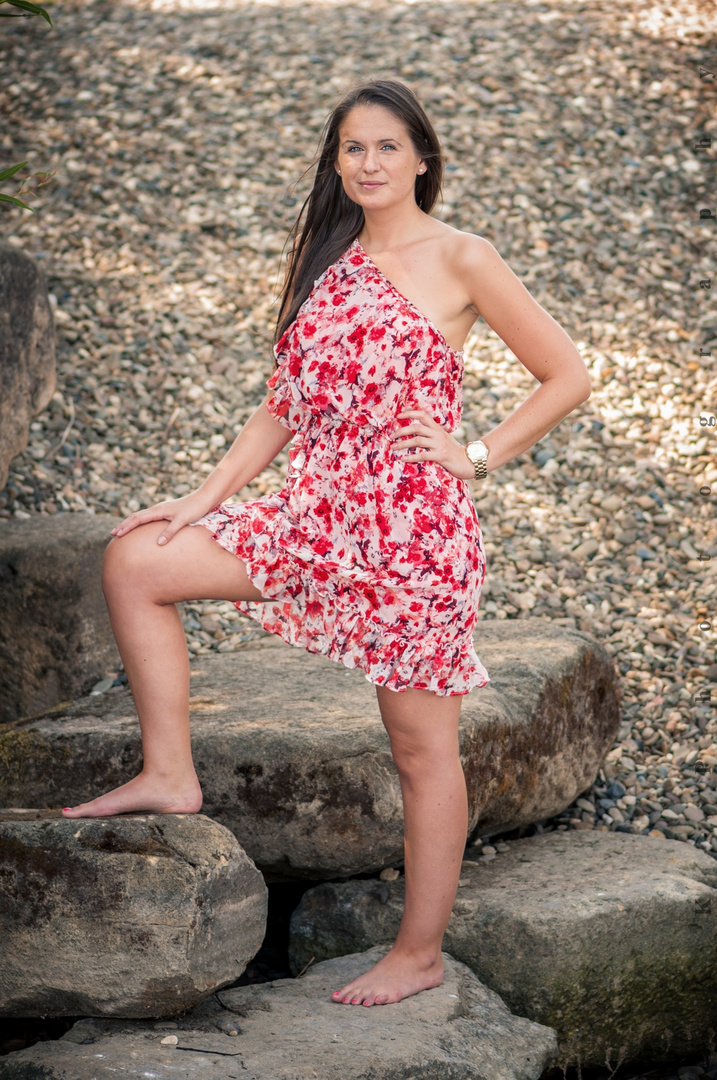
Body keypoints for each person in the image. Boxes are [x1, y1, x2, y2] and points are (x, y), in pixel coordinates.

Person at [62, 79, 591, 1007]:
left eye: (387, 147)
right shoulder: (328, 253)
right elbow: (281, 408)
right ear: (336, 162)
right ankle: (169, 772)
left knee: (420, 749)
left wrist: (474, 453)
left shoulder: (464, 257)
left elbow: (566, 374)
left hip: (414, 535)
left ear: (421, 157)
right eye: (352, 148)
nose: (369, 163)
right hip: (313, 518)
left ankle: (417, 952)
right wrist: (198, 499)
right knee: (138, 559)